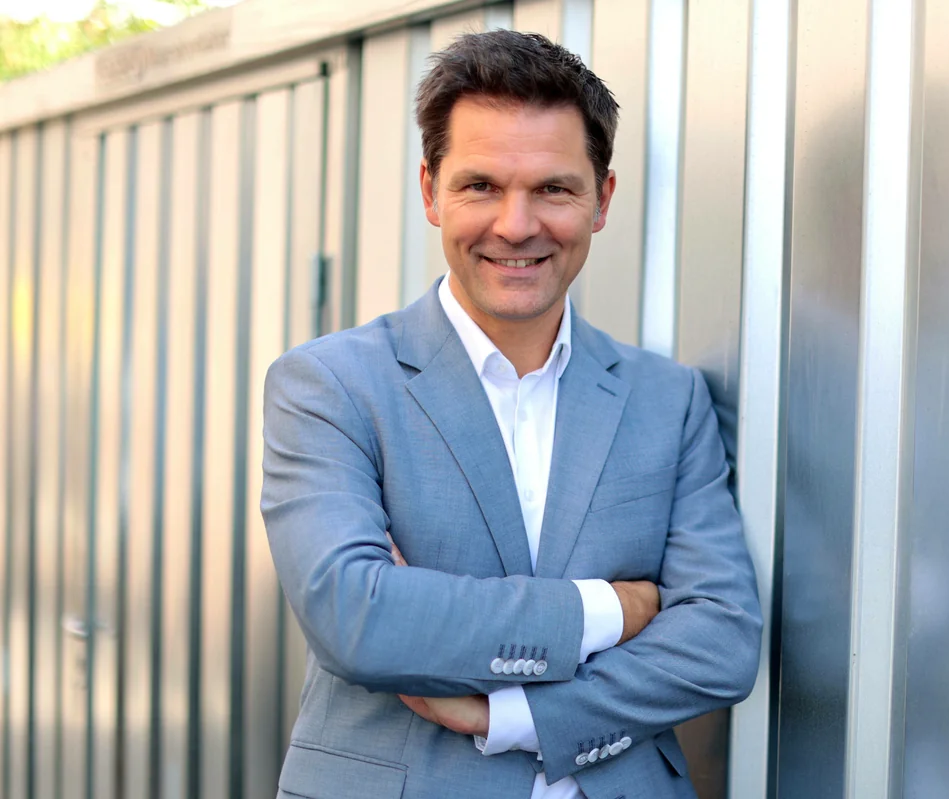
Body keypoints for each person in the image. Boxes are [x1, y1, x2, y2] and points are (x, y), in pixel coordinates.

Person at [261, 29, 762, 799]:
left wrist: (520, 714)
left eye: (553, 189)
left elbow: (721, 640)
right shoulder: (330, 385)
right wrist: (611, 607)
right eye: (481, 186)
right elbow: (358, 619)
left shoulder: (669, 399)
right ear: (431, 191)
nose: (517, 224)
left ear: (602, 199)